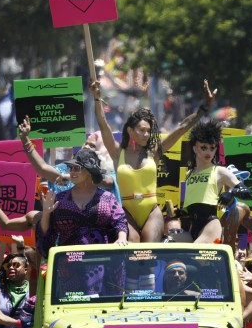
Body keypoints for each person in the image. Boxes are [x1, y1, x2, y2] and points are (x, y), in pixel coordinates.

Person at [93, 79, 217, 243]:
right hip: (127, 212)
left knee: (148, 252)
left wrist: (204, 108)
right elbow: (103, 124)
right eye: (141, 130)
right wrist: (96, 97)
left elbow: (181, 128)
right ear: (130, 131)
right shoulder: (117, 153)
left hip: (151, 211)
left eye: (148, 131)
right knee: (132, 249)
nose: (146, 134)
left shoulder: (154, 152)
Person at [0, 148, 129, 258]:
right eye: (70, 168)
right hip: (69, 267)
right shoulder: (60, 199)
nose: (72, 171)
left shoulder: (108, 198)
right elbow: (47, 236)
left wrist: (122, 238)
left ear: (90, 172)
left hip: (101, 263)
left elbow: (120, 221)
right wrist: (47, 214)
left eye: (77, 168)